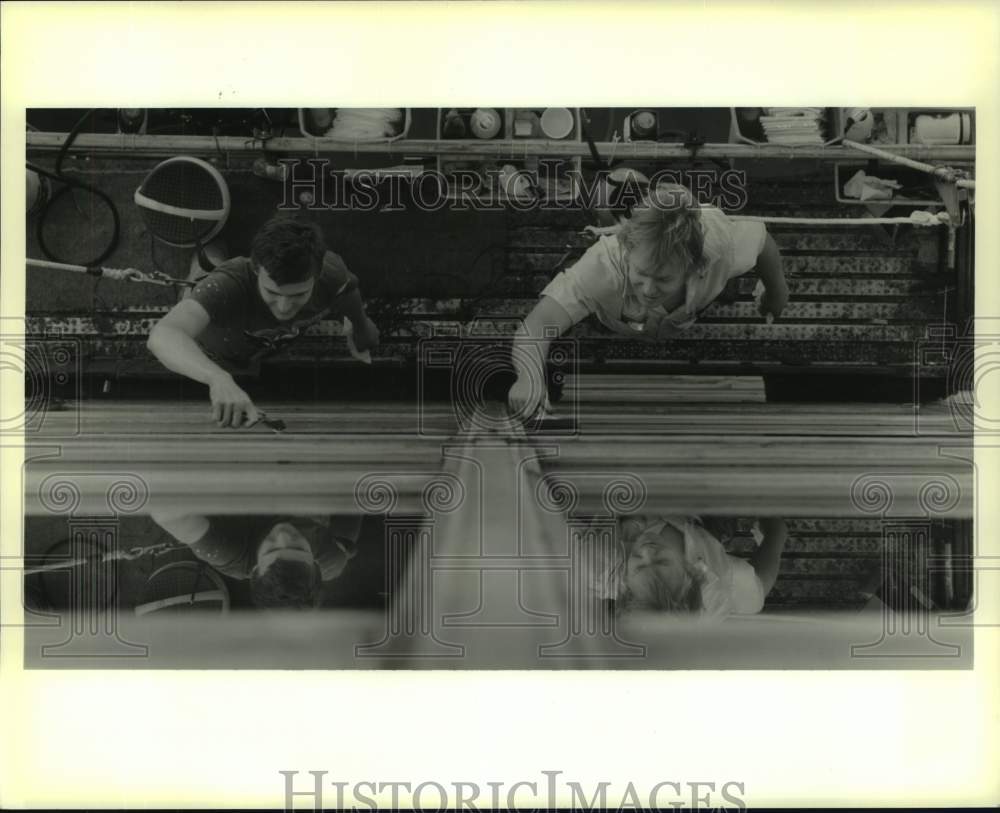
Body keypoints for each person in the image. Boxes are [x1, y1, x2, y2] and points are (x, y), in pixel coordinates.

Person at [507, 183, 786, 418]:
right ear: (627, 250)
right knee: (581, 291)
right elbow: (536, 325)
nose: (650, 289)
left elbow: (761, 240)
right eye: (641, 274)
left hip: (691, 305)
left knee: (723, 276)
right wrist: (528, 377)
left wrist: (776, 292)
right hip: (610, 314)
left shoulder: (720, 245)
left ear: (694, 266)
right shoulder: (602, 266)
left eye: (663, 278)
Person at [147, 217, 380, 427]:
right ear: (256, 269)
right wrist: (218, 378)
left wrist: (360, 328)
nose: (284, 308)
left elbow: (348, 289)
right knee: (208, 262)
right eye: (273, 293)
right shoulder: (223, 286)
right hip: (209, 344)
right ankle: (212, 236)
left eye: (297, 295)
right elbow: (164, 334)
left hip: (255, 347)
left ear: (317, 276)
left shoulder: (331, 271)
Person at [149, 511, 363, 609]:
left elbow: (166, 513)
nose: (283, 534)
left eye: (271, 548)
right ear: (315, 563)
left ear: (254, 569)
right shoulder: (330, 563)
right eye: (298, 546)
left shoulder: (227, 551)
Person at [588, 515, 788, 618]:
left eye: (639, 565)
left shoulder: (602, 568)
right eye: (661, 561)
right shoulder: (716, 584)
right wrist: (775, 534)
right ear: (690, 572)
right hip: (700, 523)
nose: (647, 552)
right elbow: (757, 591)